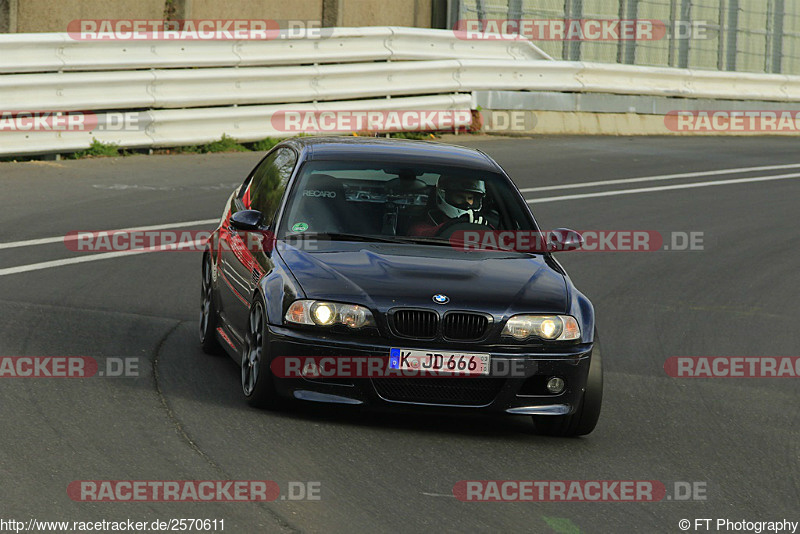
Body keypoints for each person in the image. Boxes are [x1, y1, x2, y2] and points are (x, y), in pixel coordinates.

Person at [407, 175, 489, 237]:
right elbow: (419, 233)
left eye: (470, 198)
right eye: (460, 197)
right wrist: (458, 223)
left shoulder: (482, 223)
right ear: (443, 196)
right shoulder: (423, 226)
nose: (467, 202)